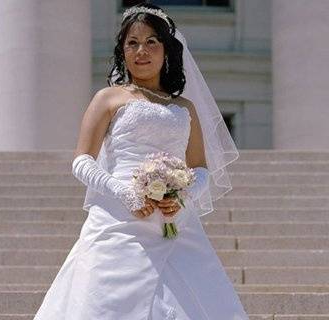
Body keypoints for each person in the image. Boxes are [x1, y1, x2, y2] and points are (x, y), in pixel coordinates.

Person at [34, 3, 249, 319]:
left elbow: (200, 168)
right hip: (117, 218)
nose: (141, 51)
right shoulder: (108, 99)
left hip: (174, 222)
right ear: (122, 51)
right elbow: (82, 160)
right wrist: (123, 193)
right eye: (132, 43)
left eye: (151, 42)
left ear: (166, 50)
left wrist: (183, 197)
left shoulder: (185, 107)